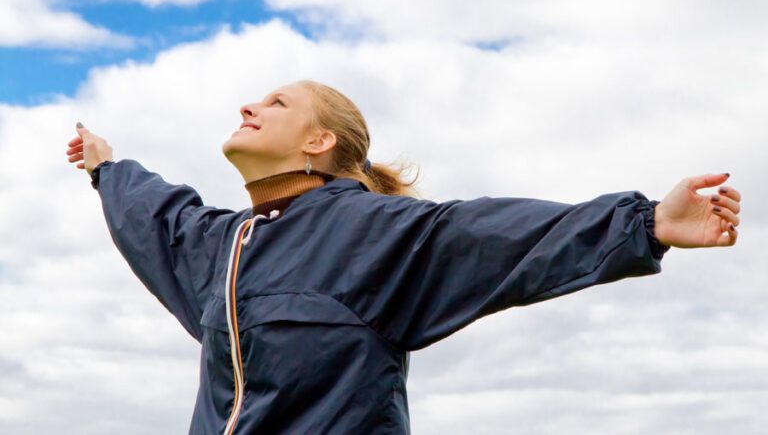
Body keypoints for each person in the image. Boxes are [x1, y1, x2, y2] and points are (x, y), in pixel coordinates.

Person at [65, 79, 741, 434]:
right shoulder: (224, 246)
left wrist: (646, 222)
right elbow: (158, 218)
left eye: (277, 101)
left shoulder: (377, 233)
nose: (250, 103)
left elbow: (500, 234)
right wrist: (106, 166)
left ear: (318, 141)